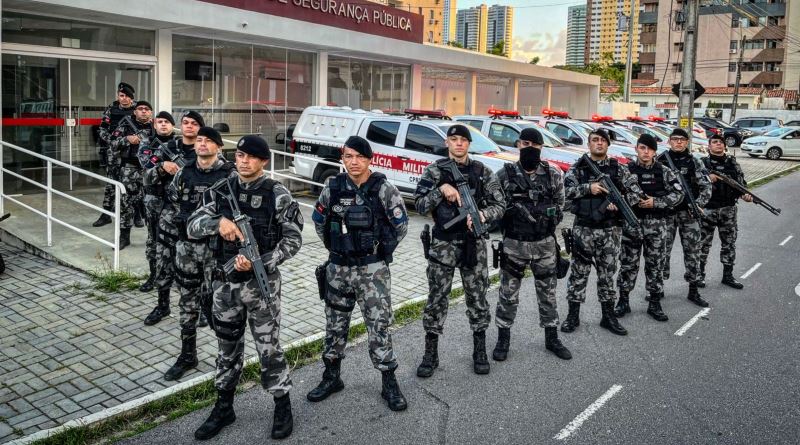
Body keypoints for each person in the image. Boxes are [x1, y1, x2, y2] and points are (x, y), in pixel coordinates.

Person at [188, 135, 302, 440]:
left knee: (269, 348)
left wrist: (263, 261)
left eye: (251, 157)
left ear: (263, 161)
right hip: (225, 287)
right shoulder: (219, 191)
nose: (244, 161)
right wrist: (219, 224)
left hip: (261, 287)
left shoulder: (278, 194)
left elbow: (293, 240)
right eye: (240, 155)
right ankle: (224, 406)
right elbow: (192, 226)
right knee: (226, 348)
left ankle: (282, 404)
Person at [307, 136, 409, 411]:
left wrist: (377, 251)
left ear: (369, 159)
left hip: (372, 272)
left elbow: (401, 226)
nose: (353, 162)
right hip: (338, 268)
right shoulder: (333, 187)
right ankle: (331, 377)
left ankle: (389, 381)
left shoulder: (384, 189)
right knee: (335, 326)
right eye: (348, 156)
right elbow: (319, 221)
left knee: (379, 325)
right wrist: (339, 246)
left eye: (359, 157)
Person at [413, 124, 505, 377]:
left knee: (477, 298)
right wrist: (440, 190)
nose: (459, 144)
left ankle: (480, 351)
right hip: (442, 245)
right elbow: (419, 204)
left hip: (473, 244)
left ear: (469, 144)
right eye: (454, 139)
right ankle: (430, 354)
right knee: (436, 299)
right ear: (447, 143)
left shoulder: (482, 172)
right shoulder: (434, 171)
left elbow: (500, 205)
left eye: (463, 140)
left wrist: (482, 215)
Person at [163, 127, 234, 381]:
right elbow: (173, 199)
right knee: (187, 300)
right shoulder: (184, 172)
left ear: (219, 147)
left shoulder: (230, 174)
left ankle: (224, 358)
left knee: (220, 304)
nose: (202, 144)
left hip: (215, 249)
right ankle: (188, 354)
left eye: (208, 141)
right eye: (199, 140)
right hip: (186, 247)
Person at [494, 128, 571, 360]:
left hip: (545, 244)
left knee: (548, 294)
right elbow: (495, 208)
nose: (529, 148)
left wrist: (544, 220)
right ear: (518, 144)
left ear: (541, 147)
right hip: (514, 245)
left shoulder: (554, 173)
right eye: (525, 143)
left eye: (534, 145)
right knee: (508, 295)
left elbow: (561, 205)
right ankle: (502, 339)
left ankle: (552, 338)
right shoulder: (503, 175)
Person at [560, 129, 643, 336]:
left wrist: (620, 203)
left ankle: (608, 316)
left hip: (610, 230)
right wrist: (589, 188)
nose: (599, 143)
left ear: (608, 145)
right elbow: (563, 196)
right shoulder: (577, 169)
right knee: (579, 273)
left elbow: (636, 194)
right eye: (594, 140)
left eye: (603, 141)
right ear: (588, 144)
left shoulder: (619, 169)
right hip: (584, 229)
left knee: (607, 273)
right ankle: (573, 316)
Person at [141, 111, 203, 326]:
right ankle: (163, 304)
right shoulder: (167, 149)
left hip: (197, 216)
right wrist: (161, 167)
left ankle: (201, 307)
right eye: (185, 123)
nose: (189, 126)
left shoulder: (206, 151)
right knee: (163, 259)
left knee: (198, 263)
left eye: (194, 124)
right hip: (169, 214)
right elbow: (146, 176)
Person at [615, 134, 684, 322]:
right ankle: (623, 300)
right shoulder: (626, 171)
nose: (646, 152)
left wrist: (656, 202)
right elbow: (616, 195)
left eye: (650, 149)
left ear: (655, 151)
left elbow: (679, 194)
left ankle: (654, 303)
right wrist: (633, 200)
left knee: (656, 264)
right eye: (643, 148)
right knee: (628, 263)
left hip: (657, 225)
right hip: (632, 224)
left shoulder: (665, 171)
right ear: (636, 149)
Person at [657, 128, 713, 307]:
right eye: (675, 139)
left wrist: (698, 204)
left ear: (687, 142)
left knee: (693, 252)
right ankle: (657, 288)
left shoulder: (694, 162)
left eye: (682, 139)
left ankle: (693, 290)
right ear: (669, 142)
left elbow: (706, 186)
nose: (678, 142)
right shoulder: (660, 161)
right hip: (667, 214)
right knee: (661, 252)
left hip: (689, 214)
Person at [698, 133, 752, 289]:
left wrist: (746, 195)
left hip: (728, 209)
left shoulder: (733, 164)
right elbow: (695, 184)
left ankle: (728, 276)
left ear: (725, 146)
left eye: (720, 142)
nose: (718, 144)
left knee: (729, 244)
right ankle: (699, 276)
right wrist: (709, 178)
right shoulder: (701, 164)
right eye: (714, 142)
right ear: (709, 146)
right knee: (702, 245)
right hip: (707, 209)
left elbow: (741, 185)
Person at [138, 111, 175, 292]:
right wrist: (162, 167)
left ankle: (175, 275)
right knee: (153, 239)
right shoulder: (148, 143)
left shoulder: (180, 144)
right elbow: (146, 168)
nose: (163, 125)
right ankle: (153, 275)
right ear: (154, 124)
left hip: (175, 201)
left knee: (176, 240)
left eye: (167, 122)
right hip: (154, 199)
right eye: (160, 121)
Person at [109, 100, 153, 248]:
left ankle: (152, 239)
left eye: (147, 109)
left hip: (150, 171)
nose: (143, 111)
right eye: (140, 109)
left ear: (151, 113)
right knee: (126, 203)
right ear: (135, 112)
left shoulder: (156, 127)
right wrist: (126, 139)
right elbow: (112, 144)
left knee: (151, 204)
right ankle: (124, 237)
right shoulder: (125, 125)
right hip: (129, 168)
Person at [93, 82, 135, 227]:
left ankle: (136, 215)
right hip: (114, 152)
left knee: (132, 185)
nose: (122, 98)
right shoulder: (111, 109)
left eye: (126, 96)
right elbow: (102, 129)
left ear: (131, 98)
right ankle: (106, 214)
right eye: (120, 95)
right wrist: (113, 141)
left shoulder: (137, 110)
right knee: (111, 183)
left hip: (132, 153)